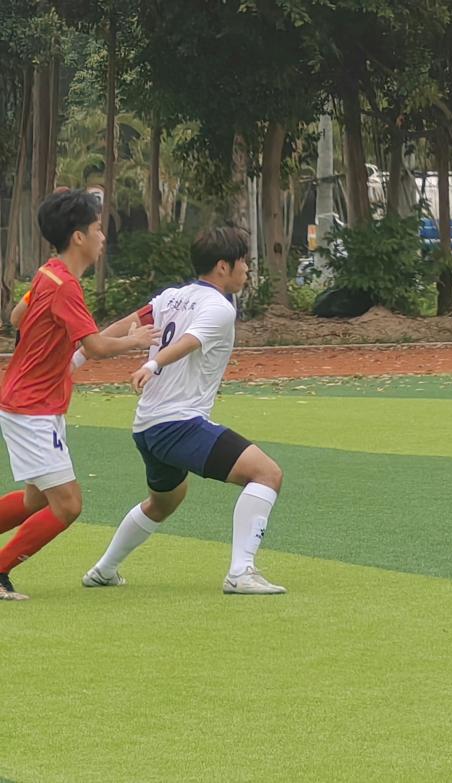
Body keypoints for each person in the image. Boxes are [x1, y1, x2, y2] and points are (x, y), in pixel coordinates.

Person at [81, 226, 287, 595]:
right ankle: (241, 573)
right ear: (222, 266)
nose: (246, 269)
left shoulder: (171, 297)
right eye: (243, 262)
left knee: (165, 502)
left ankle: (103, 570)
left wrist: (78, 355)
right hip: (177, 425)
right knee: (267, 474)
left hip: (147, 428)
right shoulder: (219, 307)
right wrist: (153, 363)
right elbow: (191, 342)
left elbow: (124, 325)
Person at [0, 189, 159, 601]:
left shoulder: (48, 272)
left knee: (37, 499)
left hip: (31, 401)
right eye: (97, 228)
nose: (102, 236)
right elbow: (96, 346)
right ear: (78, 237)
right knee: (68, 505)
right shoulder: (65, 286)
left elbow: (17, 316)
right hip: (32, 407)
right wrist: (136, 339)